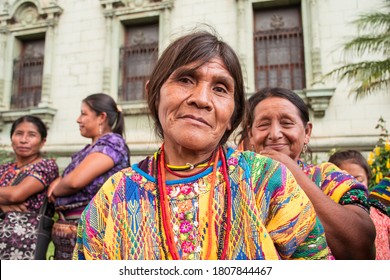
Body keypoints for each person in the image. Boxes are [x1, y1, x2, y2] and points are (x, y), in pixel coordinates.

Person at [74, 31, 330, 260]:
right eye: (185, 80)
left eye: (220, 89)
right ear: (154, 94)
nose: (201, 99)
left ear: (233, 115)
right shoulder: (114, 196)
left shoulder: (267, 181)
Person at [239, 87, 376, 259]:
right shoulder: (234, 182)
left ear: (307, 132)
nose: (274, 134)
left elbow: (361, 246)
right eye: (264, 124)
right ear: (251, 134)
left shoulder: (329, 178)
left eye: (287, 123)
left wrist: (291, 173)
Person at [48, 93, 130, 260]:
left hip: (92, 229)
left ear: (101, 117)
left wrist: (55, 189)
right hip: (68, 231)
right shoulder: (89, 149)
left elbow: (73, 182)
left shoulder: (112, 143)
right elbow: (68, 178)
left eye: (84, 113)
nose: (78, 119)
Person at [0, 115, 59, 259]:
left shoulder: (46, 166)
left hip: (25, 242)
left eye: (31, 135)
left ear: (42, 141)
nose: (23, 140)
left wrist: (5, 200)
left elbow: (17, 194)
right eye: (19, 133)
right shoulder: (3, 169)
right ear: (12, 137)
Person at [329, 150, 390, 260]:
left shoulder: (382, 215)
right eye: (344, 180)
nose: (353, 186)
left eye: (359, 179)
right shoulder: (325, 220)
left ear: (368, 178)